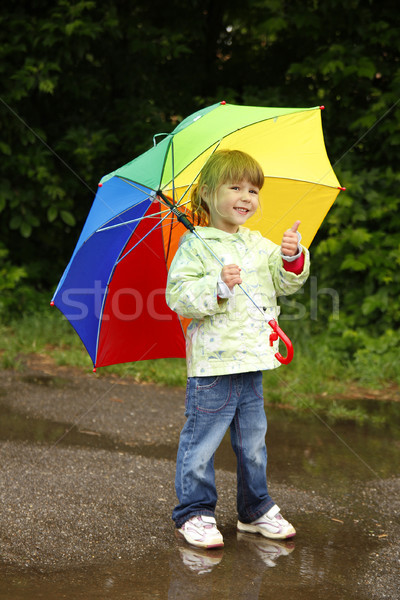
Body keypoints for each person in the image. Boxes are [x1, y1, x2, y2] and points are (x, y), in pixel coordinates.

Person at [165, 149, 310, 549]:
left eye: (253, 189)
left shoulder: (258, 244)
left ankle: (254, 508)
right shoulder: (194, 246)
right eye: (235, 187)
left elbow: (284, 283)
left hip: (253, 358)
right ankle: (194, 513)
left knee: (253, 442)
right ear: (208, 194)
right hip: (213, 365)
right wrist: (218, 286)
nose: (247, 196)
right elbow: (178, 296)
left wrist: (292, 257)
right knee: (202, 442)